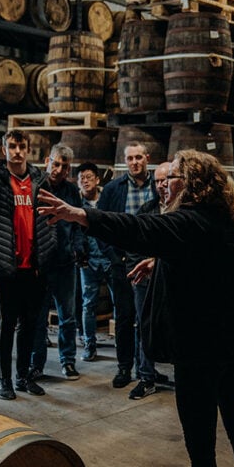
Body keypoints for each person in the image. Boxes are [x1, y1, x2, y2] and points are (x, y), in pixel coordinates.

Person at [38, 150, 234, 467]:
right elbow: (195, 258)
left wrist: (80, 215)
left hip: (200, 352)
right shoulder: (223, 221)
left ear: (192, 182)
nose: (165, 183)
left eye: (173, 176)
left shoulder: (187, 221)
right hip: (233, 348)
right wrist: (159, 261)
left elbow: (137, 227)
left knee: (201, 446)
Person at [0, 128, 56, 400]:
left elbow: (52, 217)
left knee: (30, 324)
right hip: (7, 268)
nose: (17, 151)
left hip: (35, 266)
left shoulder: (39, 180)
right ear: (4, 148)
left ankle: (23, 377)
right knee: (7, 324)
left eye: (22, 146)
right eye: (12, 146)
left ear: (28, 149)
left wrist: (47, 246)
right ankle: (4, 380)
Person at [97, 142, 156, 389]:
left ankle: (147, 366)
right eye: (130, 158)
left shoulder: (158, 186)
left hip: (152, 261)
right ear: (125, 161)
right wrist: (112, 256)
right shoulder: (113, 190)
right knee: (124, 317)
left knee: (149, 318)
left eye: (139, 157)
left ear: (147, 158)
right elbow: (99, 224)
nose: (135, 162)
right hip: (122, 262)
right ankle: (124, 367)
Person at [30, 143, 85, 381]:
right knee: (39, 316)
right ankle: (36, 364)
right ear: (47, 161)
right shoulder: (35, 187)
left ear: (68, 169)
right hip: (41, 263)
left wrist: (78, 247)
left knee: (68, 316)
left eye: (64, 166)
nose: (59, 169)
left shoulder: (72, 191)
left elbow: (80, 222)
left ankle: (68, 361)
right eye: (56, 163)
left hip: (65, 263)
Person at [124, 161, 172, 400]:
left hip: (173, 280)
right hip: (147, 280)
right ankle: (146, 376)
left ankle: (158, 368)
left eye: (166, 180)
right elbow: (134, 245)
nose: (162, 185)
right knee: (144, 326)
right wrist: (141, 269)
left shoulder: (181, 210)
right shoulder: (147, 209)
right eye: (158, 181)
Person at [77, 161, 109, 362]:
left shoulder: (106, 200)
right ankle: (90, 344)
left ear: (97, 179)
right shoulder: (77, 205)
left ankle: (125, 345)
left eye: (89, 177)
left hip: (108, 259)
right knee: (88, 304)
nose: (85, 181)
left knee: (119, 301)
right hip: (88, 262)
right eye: (81, 179)